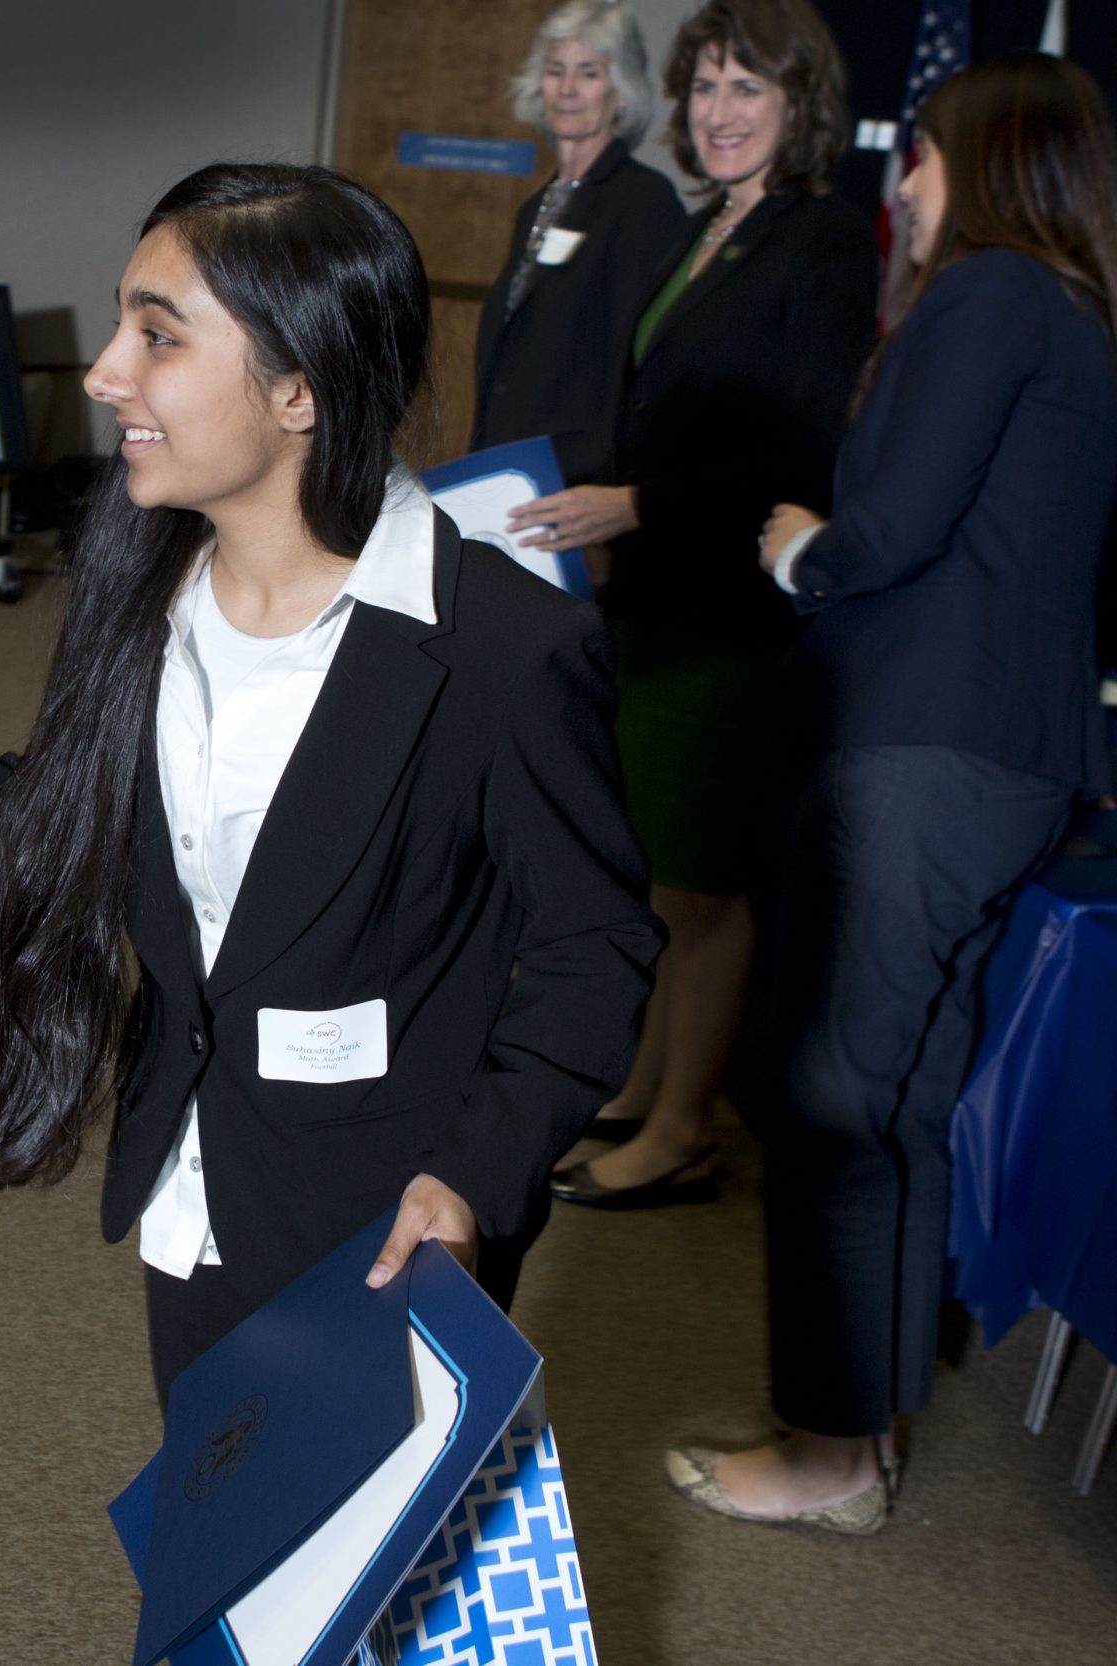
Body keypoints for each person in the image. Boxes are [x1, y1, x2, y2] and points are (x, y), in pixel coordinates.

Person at [0, 163, 664, 1400]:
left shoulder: (501, 649)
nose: (102, 373)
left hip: (387, 1220)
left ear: (299, 387)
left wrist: (477, 1176)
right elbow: (126, 797)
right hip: (193, 1173)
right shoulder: (150, 591)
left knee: (357, 1581)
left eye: (157, 335)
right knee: (215, 1542)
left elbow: (594, 943)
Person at [667, 53, 1117, 1535]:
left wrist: (804, 545)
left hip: (920, 749)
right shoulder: (1075, 310)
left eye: (916, 158)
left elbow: (891, 529)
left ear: (976, 163)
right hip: (1012, 765)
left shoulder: (990, 296)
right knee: (904, 1100)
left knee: (834, 1100)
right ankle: (872, 1412)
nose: (900, 186)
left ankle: (833, 1452)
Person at [511, 0, 875, 1210]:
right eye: (705, 87)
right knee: (657, 868)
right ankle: (644, 1087)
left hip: (730, 612)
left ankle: (678, 1128)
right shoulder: (715, 224)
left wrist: (636, 504)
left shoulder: (820, 239)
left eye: (747, 91)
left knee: (703, 887)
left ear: (799, 107)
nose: (717, 113)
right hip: (659, 595)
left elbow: (797, 445)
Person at [470, 1, 685, 485]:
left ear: (623, 92)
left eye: (588, 73)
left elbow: (636, 362)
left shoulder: (642, 202)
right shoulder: (538, 207)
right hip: (507, 465)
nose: (567, 89)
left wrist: (605, 481)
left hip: (578, 479)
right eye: (555, 71)